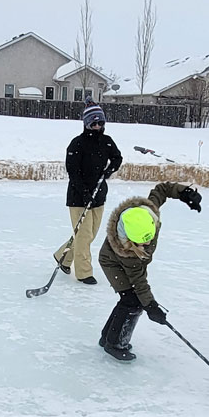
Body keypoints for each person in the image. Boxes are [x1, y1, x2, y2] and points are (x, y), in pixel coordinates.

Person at [96, 181, 203, 361]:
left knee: (132, 300)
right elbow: (139, 282)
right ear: (130, 239)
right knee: (132, 300)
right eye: (141, 242)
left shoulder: (146, 213)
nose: (147, 244)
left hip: (125, 260)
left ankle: (107, 336)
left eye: (149, 238)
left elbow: (162, 189)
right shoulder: (128, 254)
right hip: (111, 262)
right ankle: (114, 344)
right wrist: (151, 306)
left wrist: (184, 193)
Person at [52, 100, 123, 284]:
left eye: (100, 123)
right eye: (94, 123)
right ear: (86, 123)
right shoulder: (77, 144)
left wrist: (110, 169)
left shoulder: (107, 142)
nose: (97, 126)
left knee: (89, 235)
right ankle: (84, 272)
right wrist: (84, 193)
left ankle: (63, 257)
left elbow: (117, 157)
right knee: (84, 236)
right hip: (78, 197)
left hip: (99, 196)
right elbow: (73, 172)